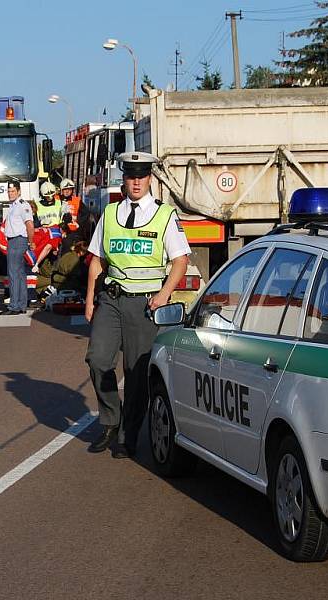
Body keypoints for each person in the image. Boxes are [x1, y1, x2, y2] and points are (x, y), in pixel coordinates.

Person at [85, 152, 191, 458]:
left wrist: (163, 295)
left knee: (135, 373)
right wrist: (90, 298)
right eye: (131, 176)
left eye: (141, 176)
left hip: (145, 306)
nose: (136, 182)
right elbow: (97, 259)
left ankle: (129, 436)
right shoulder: (110, 213)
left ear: (149, 179)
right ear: (124, 179)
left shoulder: (164, 215)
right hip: (112, 299)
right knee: (97, 360)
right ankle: (110, 420)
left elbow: (180, 262)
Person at [1, 180, 35, 315]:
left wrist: (31, 242)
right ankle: (21, 304)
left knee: (14, 274)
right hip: (14, 240)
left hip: (18, 241)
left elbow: (30, 225)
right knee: (20, 274)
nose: (10, 194)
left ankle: (14, 306)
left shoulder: (22, 205)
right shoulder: (13, 205)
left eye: (13, 191)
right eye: (9, 191)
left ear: (19, 191)